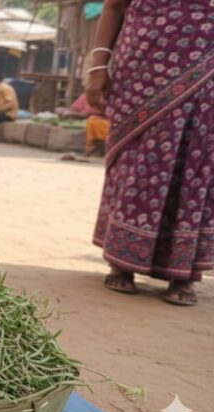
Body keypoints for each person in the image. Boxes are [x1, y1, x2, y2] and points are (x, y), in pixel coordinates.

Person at [87, 0, 214, 306]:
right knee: (138, 160)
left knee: (198, 163)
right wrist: (97, 67)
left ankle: (183, 271)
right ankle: (123, 259)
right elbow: (114, 7)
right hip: (142, 72)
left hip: (208, 78)